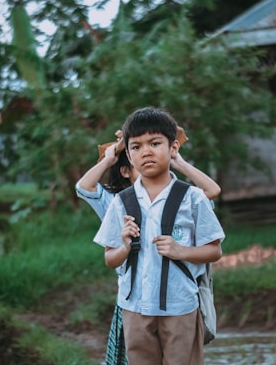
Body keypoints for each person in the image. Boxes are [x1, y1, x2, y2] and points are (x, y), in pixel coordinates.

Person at [75, 127, 220, 365]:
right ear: (127, 165)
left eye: (154, 146)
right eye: (137, 149)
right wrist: (111, 156)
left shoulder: (185, 197)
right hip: (135, 298)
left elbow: (212, 192)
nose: (147, 156)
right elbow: (83, 187)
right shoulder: (117, 201)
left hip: (176, 299)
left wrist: (178, 162)